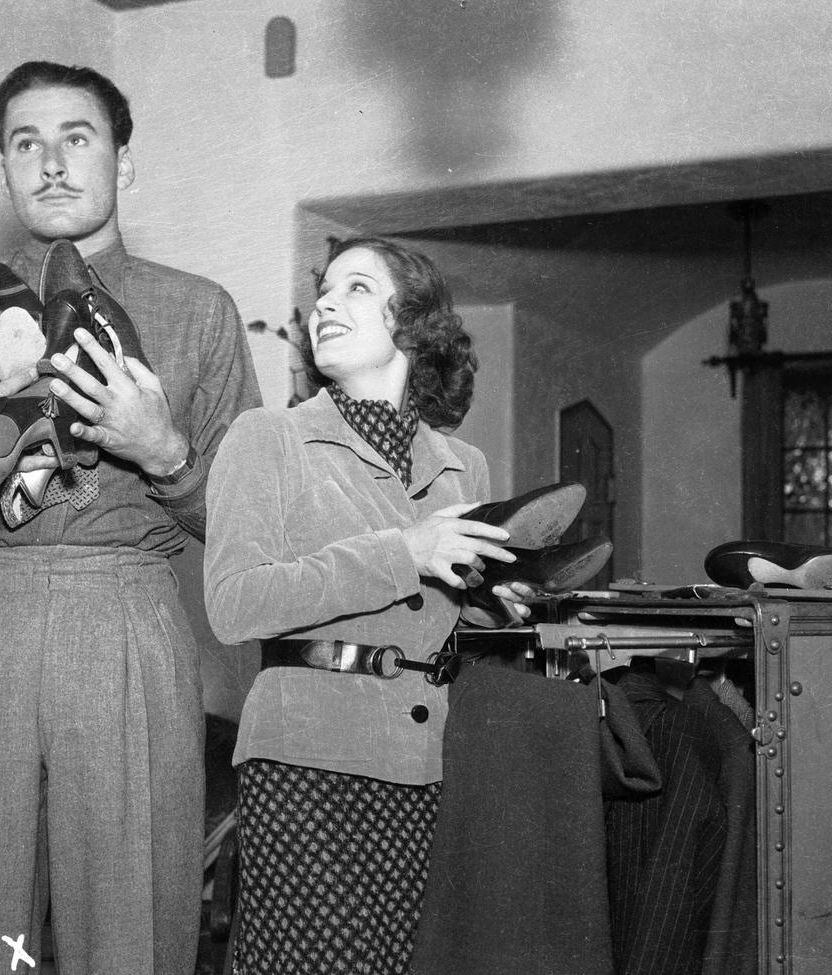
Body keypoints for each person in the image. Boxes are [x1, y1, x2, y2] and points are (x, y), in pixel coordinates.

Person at [0, 61, 260, 974]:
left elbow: (249, 534)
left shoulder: (201, 313)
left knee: (131, 928)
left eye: (79, 138)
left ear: (124, 163)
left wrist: (164, 451)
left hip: (131, 621)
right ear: (2, 170)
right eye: (25, 143)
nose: (53, 162)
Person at [203, 236, 529, 974]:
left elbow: (430, 618)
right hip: (308, 767)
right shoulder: (268, 439)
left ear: (412, 323)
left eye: (355, 287)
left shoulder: (463, 465)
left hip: (430, 767)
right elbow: (234, 601)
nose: (324, 301)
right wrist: (404, 552)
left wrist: (493, 604)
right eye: (324, 289)